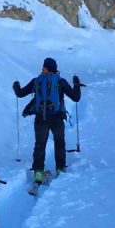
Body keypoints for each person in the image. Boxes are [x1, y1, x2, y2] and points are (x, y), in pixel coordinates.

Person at [13, 57, 82, 185]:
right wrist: (76, 84)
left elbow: (20, 93)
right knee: (59, 143)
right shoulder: (60, 82)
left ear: (47, 68)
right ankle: (60, 169)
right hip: (57, 117)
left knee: (40, 145)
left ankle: (38, 172)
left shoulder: (36, 81)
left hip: (40, 118)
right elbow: (76, 97)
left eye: (43, 66)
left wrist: (16, 86)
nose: (41, 68)